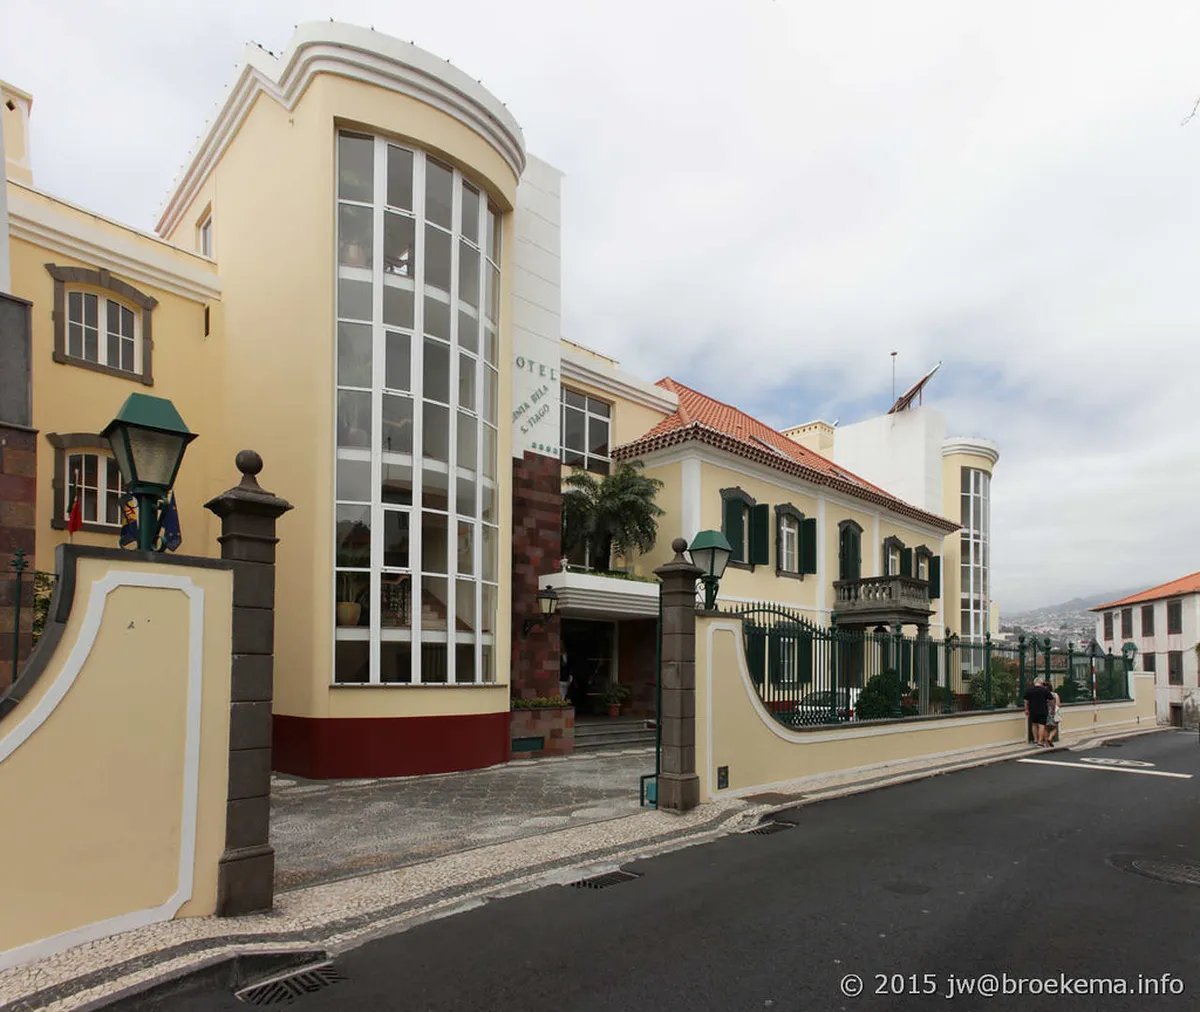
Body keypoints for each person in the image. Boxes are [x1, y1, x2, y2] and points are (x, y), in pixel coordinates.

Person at [1023, 676, 1053, 747]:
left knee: (1034, 724)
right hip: (1042, 710)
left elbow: (1025, 701)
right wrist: (1053, 709)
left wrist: (1026, 709)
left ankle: (1035, 740)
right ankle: (1040, 741)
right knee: (1041, 725)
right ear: (1041, 682)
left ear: (1034, 683)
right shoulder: (1045, 690)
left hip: (1032, 710)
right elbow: (1051, 700)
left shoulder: (1029, 690)